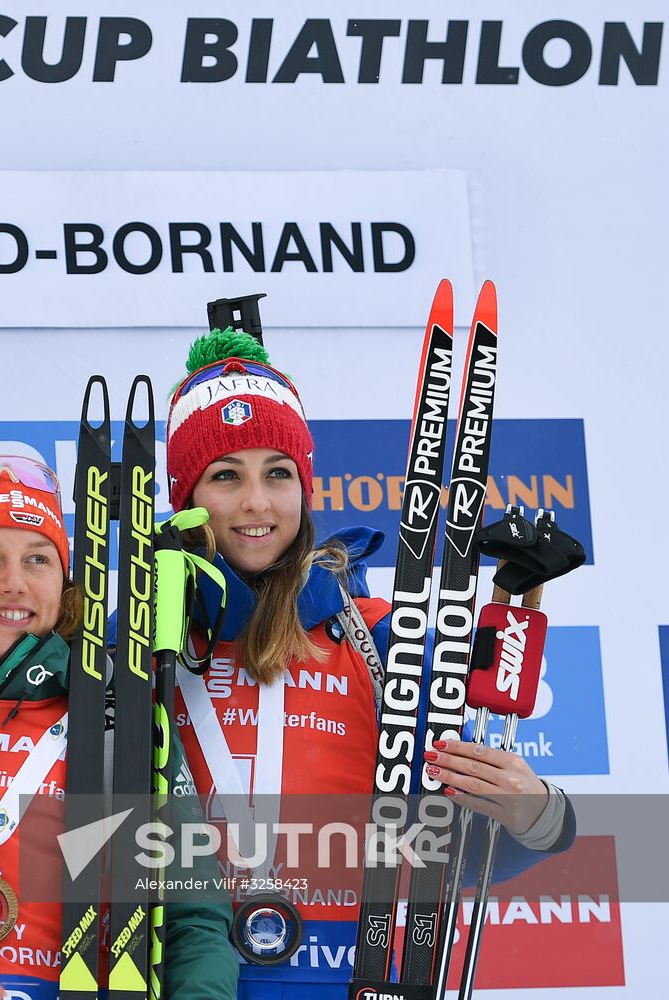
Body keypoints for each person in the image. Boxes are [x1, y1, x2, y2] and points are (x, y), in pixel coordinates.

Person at [163, 328, 576, 998]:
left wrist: (537, 817)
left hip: (343, 974)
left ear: (304, 484)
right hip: (178, 975)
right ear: (185, 496)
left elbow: (454, 853)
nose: (256, 503)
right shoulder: (132, 648)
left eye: (277, 473)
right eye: (224, 476)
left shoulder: (378, 637)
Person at [0, 455, 238, 998]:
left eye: (38, 560)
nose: (14, 584)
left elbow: (192, 919)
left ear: (64, 582)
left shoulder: (118, 712)